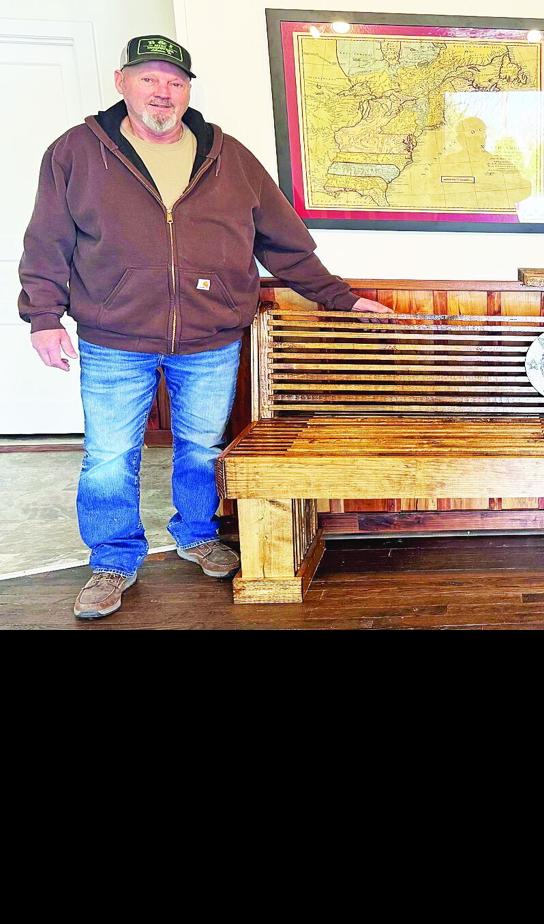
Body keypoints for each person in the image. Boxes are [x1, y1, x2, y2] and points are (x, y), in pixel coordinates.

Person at [17, 35, 392, 619]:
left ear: (188, 90)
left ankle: (196, 535)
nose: (162, 92)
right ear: (122, 82)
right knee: (110, 456)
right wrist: (43, 317)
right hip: (113, 338)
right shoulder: (76, 151)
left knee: (201, 448)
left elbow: (284, 244)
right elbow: (47, 240)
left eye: (175, 81)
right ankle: (113, 559)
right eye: (149, 79)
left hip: (210, 340)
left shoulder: (228, 155)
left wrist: (341, 300)